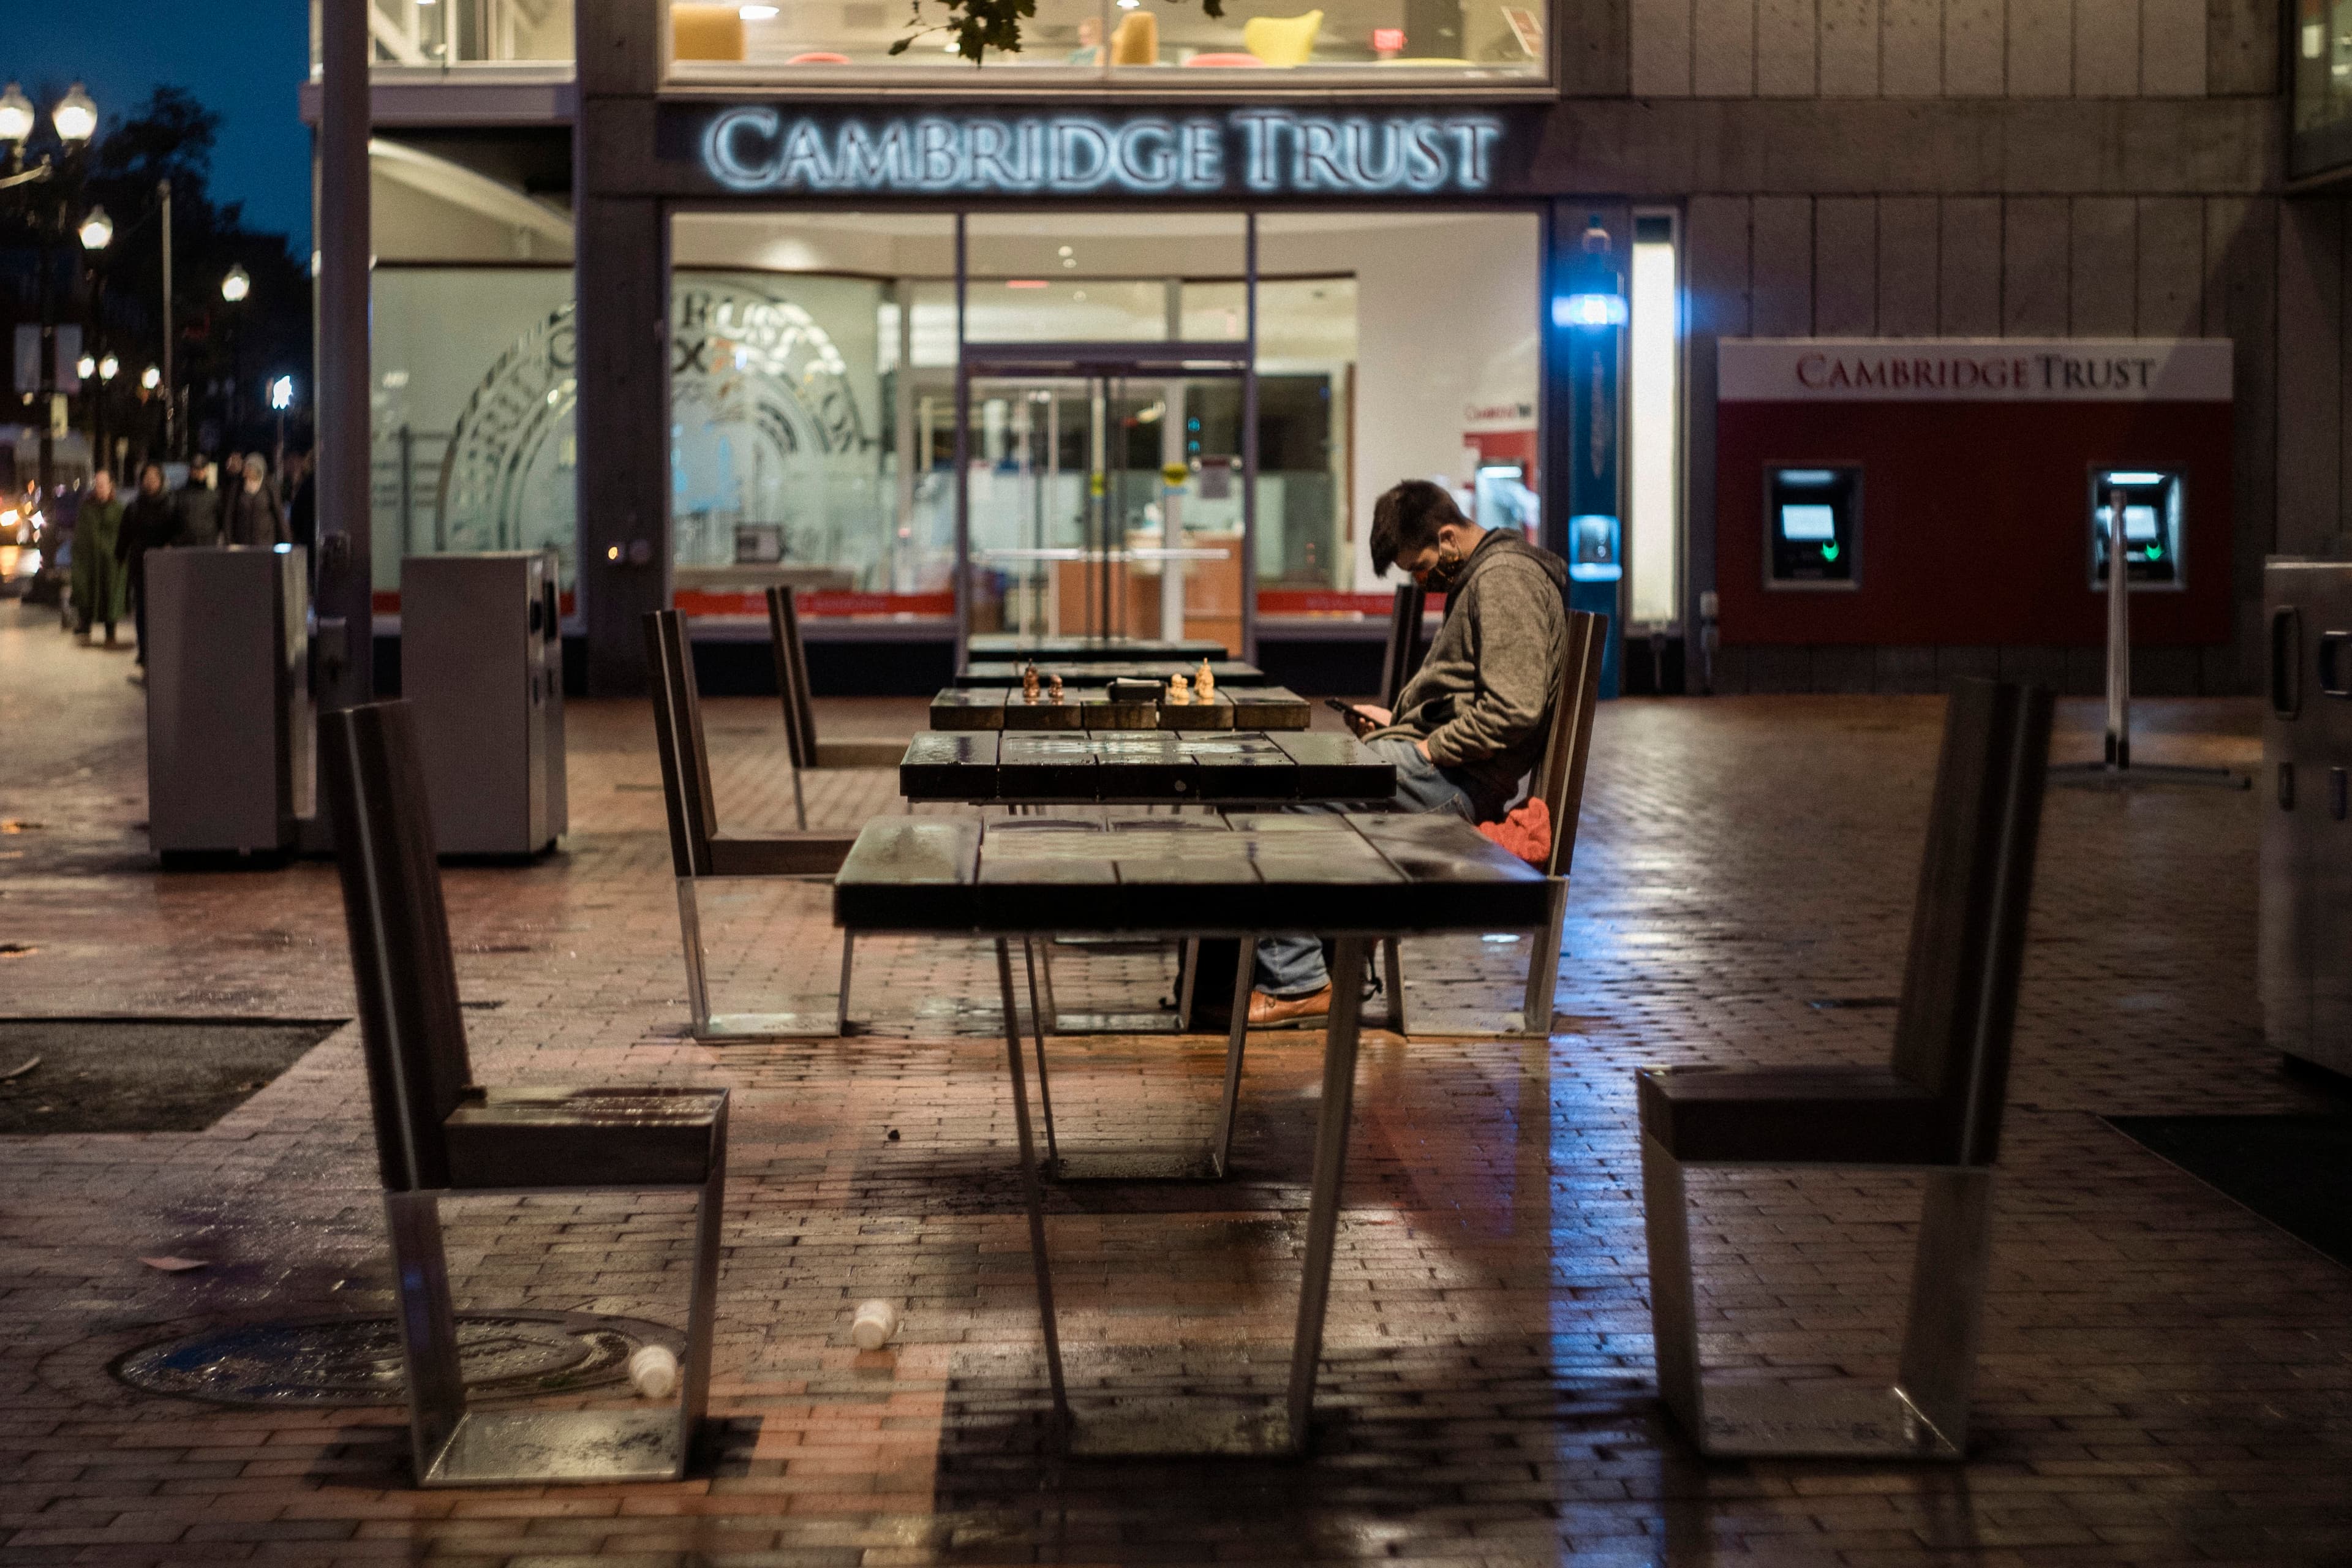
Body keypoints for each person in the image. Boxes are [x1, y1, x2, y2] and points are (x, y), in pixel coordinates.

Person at [1247, 478, 1569, 1026]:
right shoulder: (1484, 576)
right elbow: (1473, 699)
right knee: (1291, 777)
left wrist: (1425, 747)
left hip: (1454, 785)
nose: (1421, 582)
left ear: (1448, 538)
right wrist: (1399, 723)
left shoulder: (1504, 580)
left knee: (1286, 792)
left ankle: (1300, 981)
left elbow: (1514, 709)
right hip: (1442, 771)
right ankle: (1323, 966)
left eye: (1419, 567)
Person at [115, 462, 179, 669]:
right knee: (142, 610)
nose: (150, 482)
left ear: (161, 481)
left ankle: (163, 649)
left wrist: (172, 546)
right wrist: (120, 556)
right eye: (147, 478)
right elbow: (125, 535)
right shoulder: (134, 507)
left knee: (164, 611)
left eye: (154, 478)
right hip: (141, 566)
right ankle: (144, 651)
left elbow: (180, 531)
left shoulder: (172, 505)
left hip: (166, 568)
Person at [69, 471, 132, 648]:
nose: (100, 488)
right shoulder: (87, 509)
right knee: (87, 592)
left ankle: (110, 634)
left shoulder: (118, 509)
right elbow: (80, 536)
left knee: (110, 596)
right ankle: (85, 627)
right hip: (90, 562)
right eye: (97, 485)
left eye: (103, 484)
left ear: (111, 485)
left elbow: (124, 536)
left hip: (111, 563)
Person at [224, 451, 287, 548]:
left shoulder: (269, 487)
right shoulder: (238, 488)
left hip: (265, 544)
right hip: (242, 544)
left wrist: (286, 541)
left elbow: (279, 514)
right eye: (246, 467)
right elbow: (230, 515)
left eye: (250, 468)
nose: (246, 471)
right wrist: (229, 541)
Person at [176, 454, 224, 548]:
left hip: (208, 544)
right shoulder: (181, 494)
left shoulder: (215, 495)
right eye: (196, 469)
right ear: (190, 470)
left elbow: (220, 520)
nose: (199, 472)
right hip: (186, 545)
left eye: (202, 469)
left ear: (206, 470)